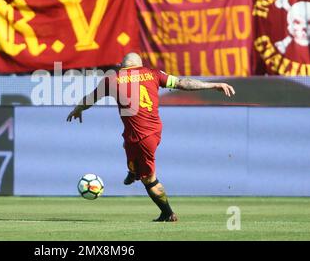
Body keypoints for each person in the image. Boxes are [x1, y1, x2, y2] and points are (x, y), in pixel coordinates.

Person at [66, 52, 235, 222]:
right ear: (139, 64)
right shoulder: (153, 73)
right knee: (127, 141)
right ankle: (133, 171)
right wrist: (213, 85)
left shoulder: (113, 79)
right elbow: (183, 83)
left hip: (142, 136)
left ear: (122, 65)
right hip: (151, 131)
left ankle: (168, 213)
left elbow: (91, 98)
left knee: (149, 179)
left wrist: (78, 109)